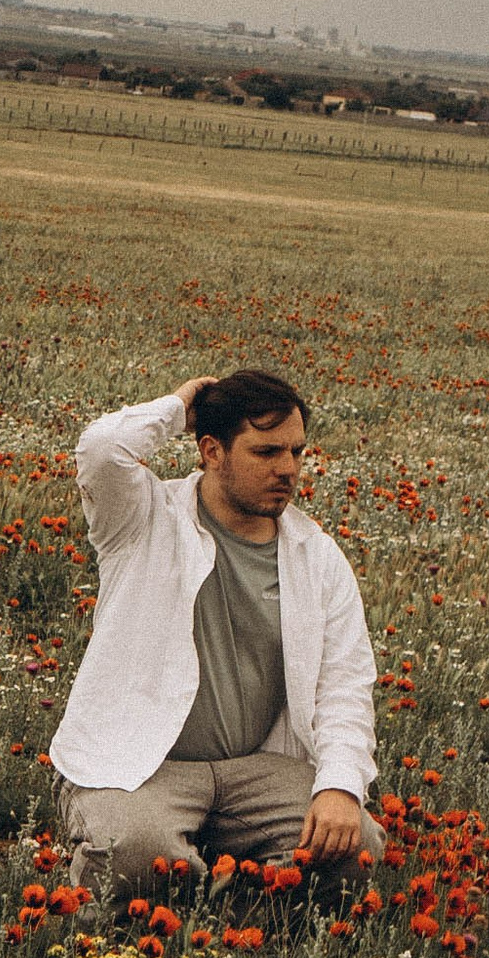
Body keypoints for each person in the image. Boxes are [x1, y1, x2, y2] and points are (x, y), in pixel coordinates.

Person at [50, 368, 381, 897]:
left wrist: (340, 786)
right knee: (138, 856)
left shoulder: (316, 557)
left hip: (256, 769)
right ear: (211, 451)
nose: (288, 470)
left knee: (353, 845)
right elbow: (101, 448)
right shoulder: (142, 518)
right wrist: (181, 406)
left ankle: (233, 909)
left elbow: (345, 684)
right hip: (141, 764)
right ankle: (184, 878)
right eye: (266, 452)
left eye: (297, 452)